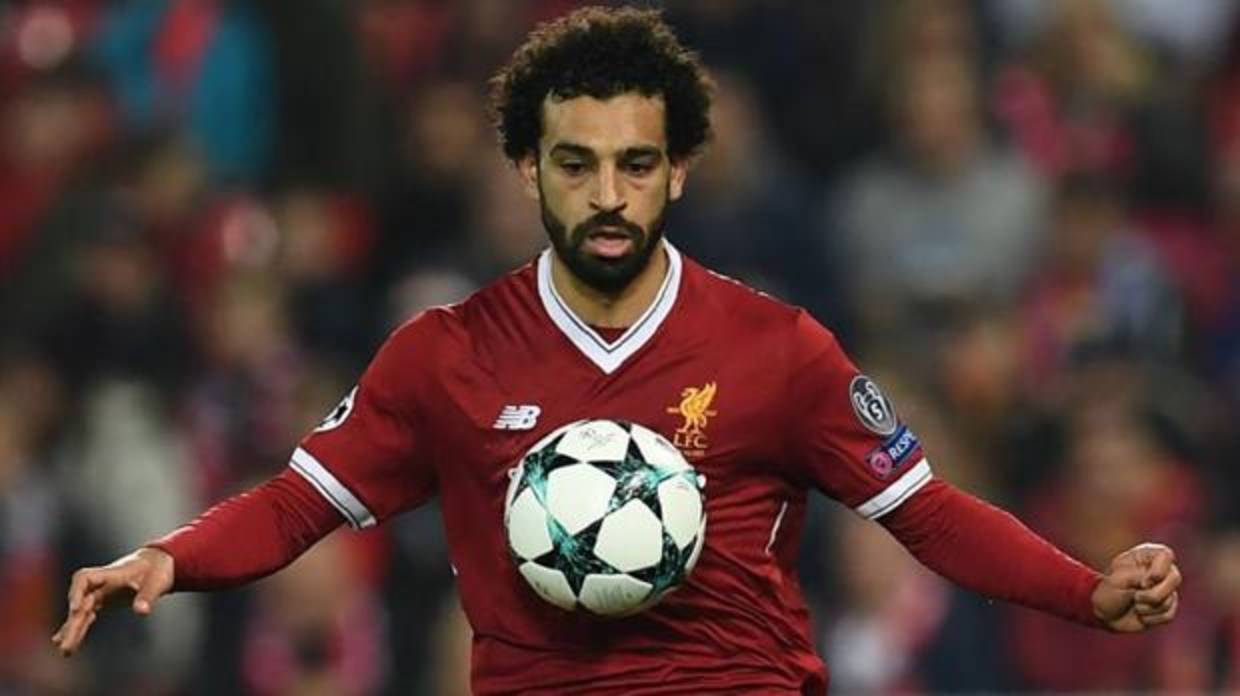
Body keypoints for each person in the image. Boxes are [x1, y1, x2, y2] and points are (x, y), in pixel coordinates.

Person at [53, 7, 1182, 694]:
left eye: (636, 164)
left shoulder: (776, 347)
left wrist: (1085, 593)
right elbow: (300, 502)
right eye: (575, 163)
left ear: (678, 170)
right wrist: (169, 558)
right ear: (528, 170)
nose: (607, 194)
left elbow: (927, 514)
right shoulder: (444, 355)